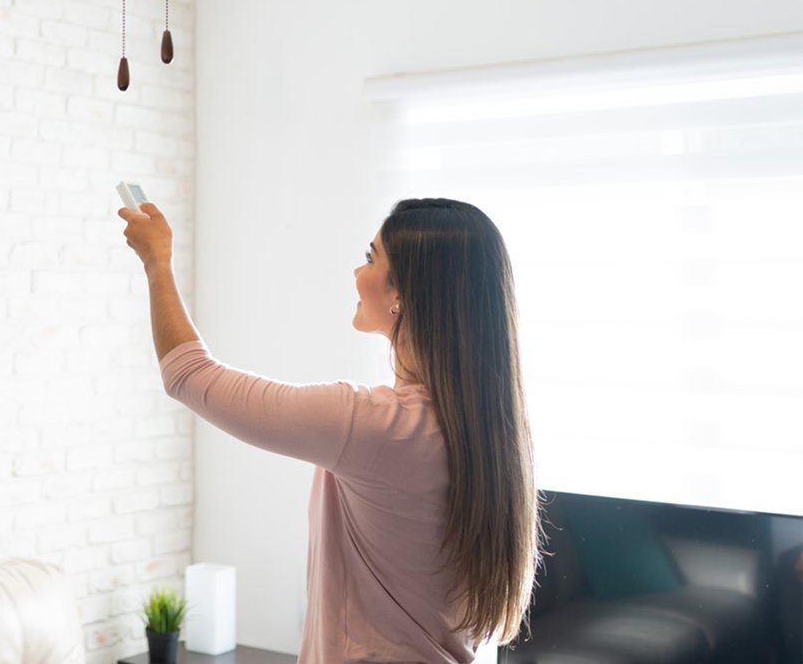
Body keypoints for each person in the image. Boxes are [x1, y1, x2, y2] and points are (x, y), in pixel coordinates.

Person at [118, 196, 541, 663]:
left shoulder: (376, 426)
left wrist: (157, 262)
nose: (357, 274)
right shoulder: (491, 432)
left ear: (404, 293)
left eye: (369, 258)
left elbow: (188, 374)